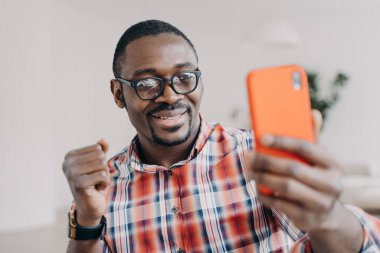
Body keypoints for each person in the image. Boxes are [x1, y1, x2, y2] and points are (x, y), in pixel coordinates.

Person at [62, 20, 380, 253]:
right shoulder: (103, 186)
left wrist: (328, 217)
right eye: (147, 84)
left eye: (184, 78)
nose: (171, 96)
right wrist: (87, 223)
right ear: (119, 93)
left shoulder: (260, 158)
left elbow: (364, 244)